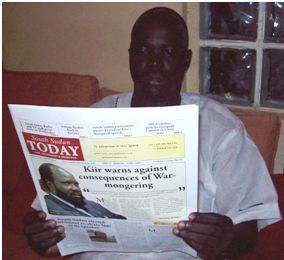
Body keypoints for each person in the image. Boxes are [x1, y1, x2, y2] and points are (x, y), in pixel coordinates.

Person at [23, 7, 281, 259]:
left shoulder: (221, 129)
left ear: (186, 59)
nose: (154, 63)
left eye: (168, 51)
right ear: (130, 56)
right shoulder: (88, 121)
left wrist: (225, 240)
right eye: (143, 50)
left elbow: (247, 233)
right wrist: (42, 237)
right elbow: (51, 222)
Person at [38, 163, 126, 219]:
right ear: (50, 184)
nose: (76, 188)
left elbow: (115, 217)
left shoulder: (91, 204)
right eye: (67, 183)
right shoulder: (48, 208)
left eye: (76, 184)